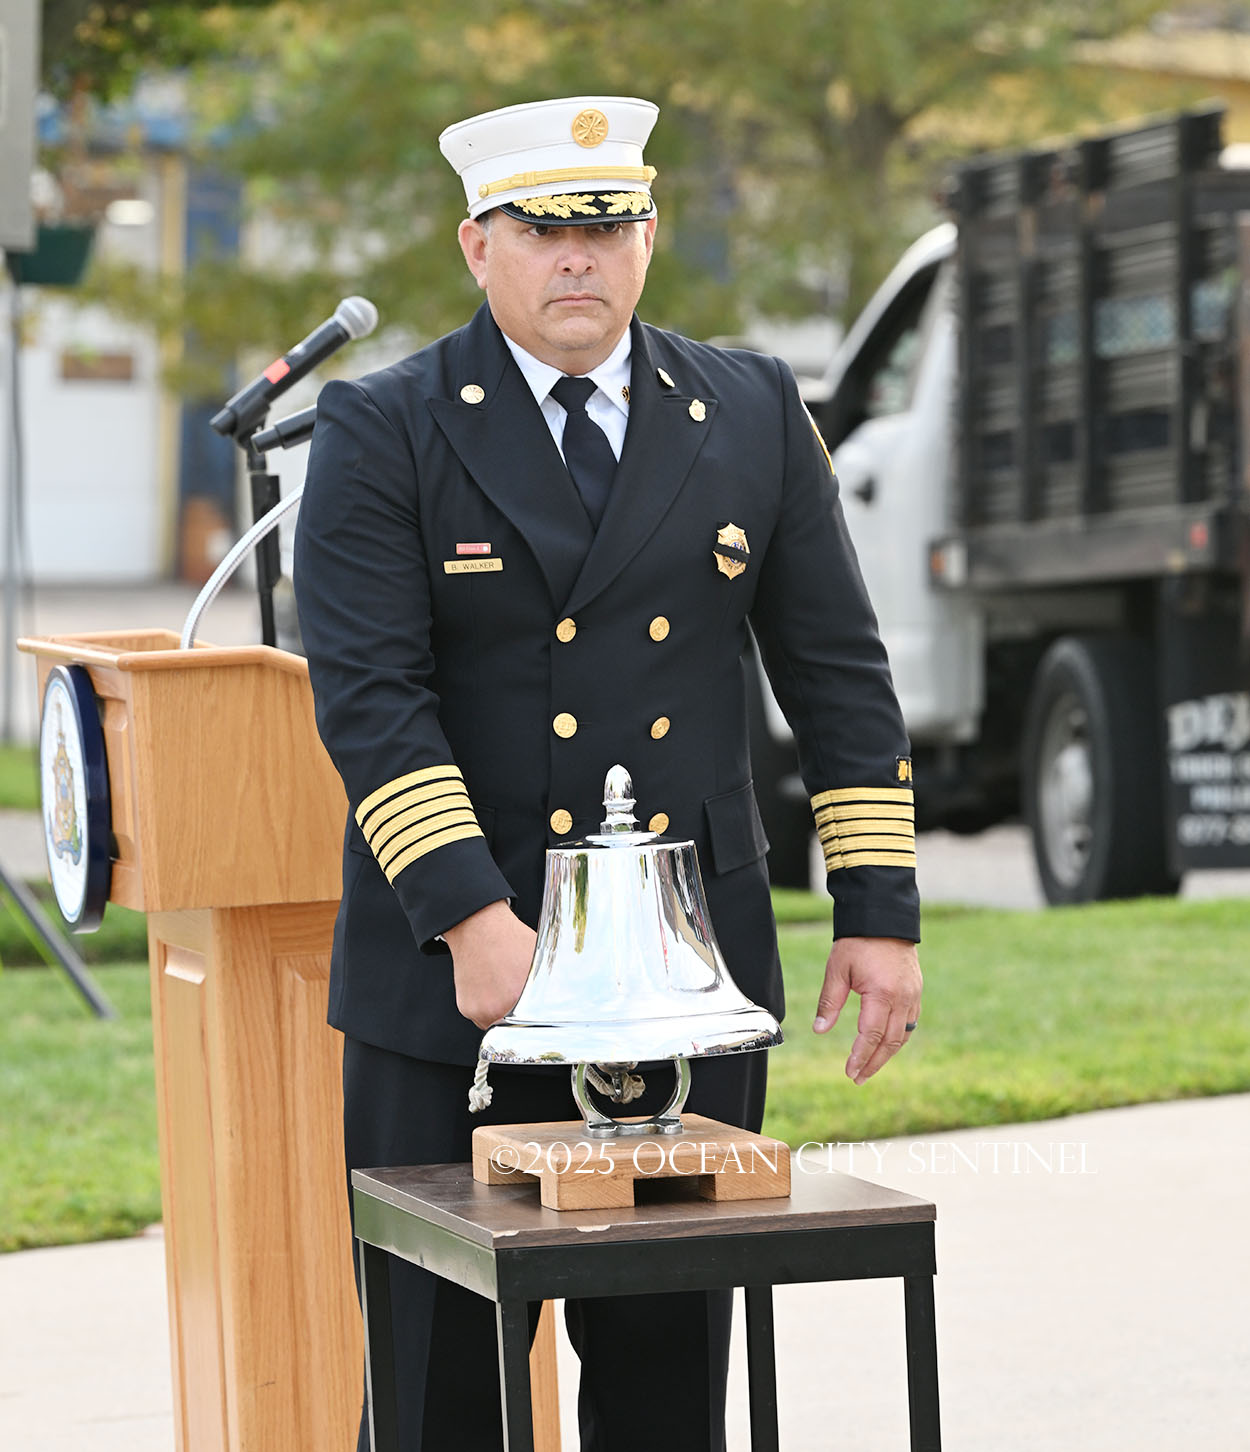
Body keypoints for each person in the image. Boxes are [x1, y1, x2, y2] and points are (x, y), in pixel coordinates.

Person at [294, 94, 922, 1452]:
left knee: (666, 1374)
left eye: (607, 225)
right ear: (477, 246)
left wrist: (877, 909)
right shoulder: (383, 425)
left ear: (648, 235)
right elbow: (372, 699)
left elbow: (835, 671)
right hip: (460, 980)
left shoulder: (750, 407)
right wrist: (471, 917)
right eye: (540, 229)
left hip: (681, 979)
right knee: (440, 1388)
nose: (576, 256)